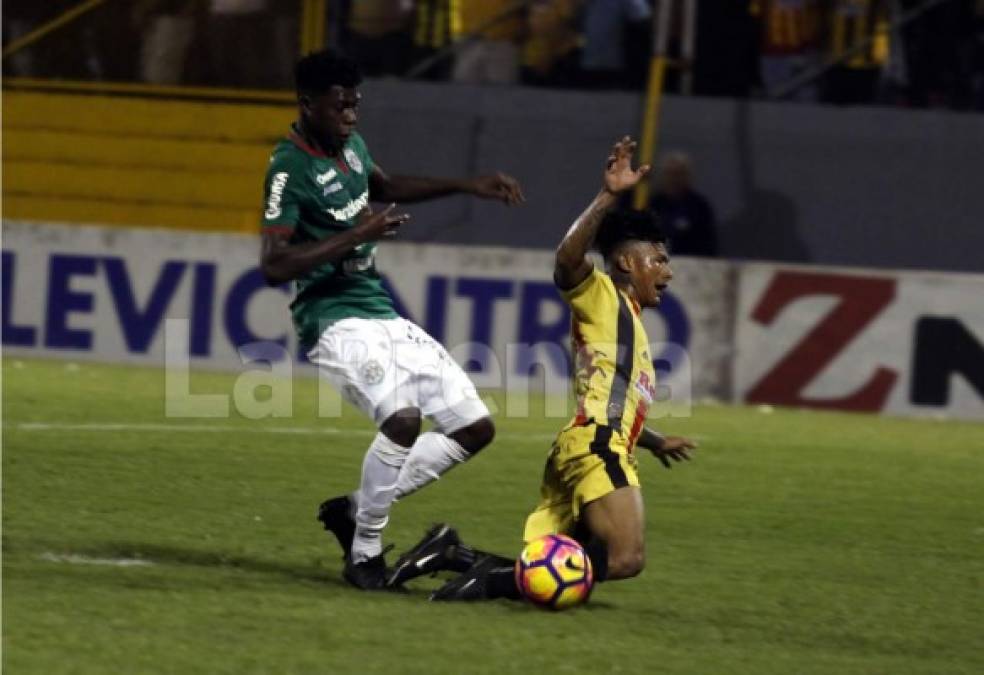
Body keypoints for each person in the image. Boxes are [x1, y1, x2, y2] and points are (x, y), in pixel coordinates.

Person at [258, 49, 525, 590]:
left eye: (356, 105)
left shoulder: (351, 148)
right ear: (307, 105)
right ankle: (364, 555)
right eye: (341, 107)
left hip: (378, 312)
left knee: (475, 427)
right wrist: (355, 237)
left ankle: (353, 508)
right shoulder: (287, 166)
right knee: (402, 421)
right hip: (331, 318)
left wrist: (465, 185)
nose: (352, 116)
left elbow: (382, 185)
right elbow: (274, 264)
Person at [386, 137, 697, 601]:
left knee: (564, 562)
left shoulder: (629, 323)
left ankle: (451, 554)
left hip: (589, 443)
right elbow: (567, 261)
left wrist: (652, 440)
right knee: (626, 557)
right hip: (596, 446)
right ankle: (485, 581)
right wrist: (609, 195)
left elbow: (615, 399)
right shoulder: (604, 295)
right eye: (659, 259)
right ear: (628, 263)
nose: (667, 272)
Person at [645, 152, 718, 257]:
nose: (674, 179)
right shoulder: (653, 205)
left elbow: (708, 244)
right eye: (670, 174)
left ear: (687, 176)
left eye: (679, 174)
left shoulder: (699, 207)